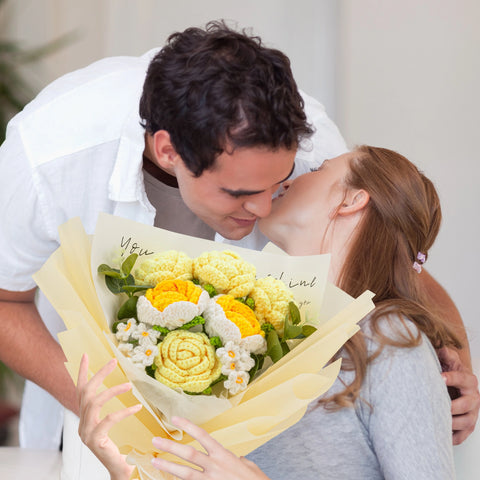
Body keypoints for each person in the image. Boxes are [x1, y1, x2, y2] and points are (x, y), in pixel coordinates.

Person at [0, 20, 476, 454]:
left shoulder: (315, 148)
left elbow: (396, 267)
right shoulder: (51, 155)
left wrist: (460, 374)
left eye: (281, 181)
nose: (266, 208)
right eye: (240, 192)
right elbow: (5, 301)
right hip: (91, 431)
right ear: (167, 151)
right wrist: (106, 405)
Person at [78, 146, 475, 479]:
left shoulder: (390, 341)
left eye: (319, 169)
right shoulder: (247, 329)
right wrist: (124, 464)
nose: (285, 182)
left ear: (353, 199)